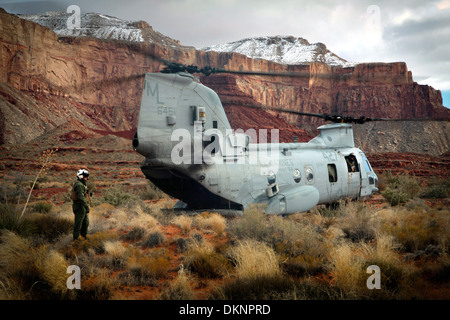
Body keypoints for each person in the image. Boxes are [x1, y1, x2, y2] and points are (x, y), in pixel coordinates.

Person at [72, 168, 91, 241]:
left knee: (85, 223)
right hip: (80, 206)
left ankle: (84, 237)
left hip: (82, 206)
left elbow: (83, 195)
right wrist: (86, 206)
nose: (86, 178)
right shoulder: (79, 185)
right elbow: (80, 197)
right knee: (78, 224)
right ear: (80, 176)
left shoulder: (82, 185)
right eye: (85, 176)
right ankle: (75, 240)